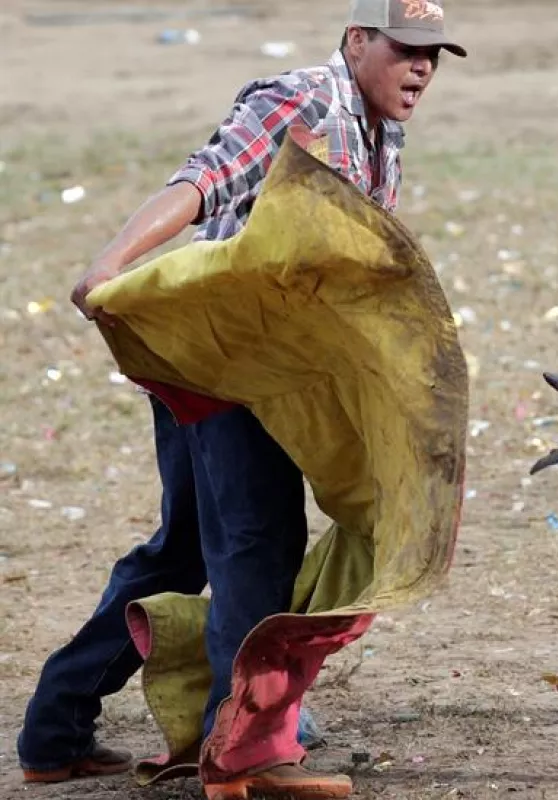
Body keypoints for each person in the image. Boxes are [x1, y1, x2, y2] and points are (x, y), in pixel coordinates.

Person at [16, 2, 465, 797]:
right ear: (357, 41)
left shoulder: (382, 131)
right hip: (223, 363)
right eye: (406, 50)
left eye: (435, 54)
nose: (423, 68)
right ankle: (246, 755)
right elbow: (202, 179)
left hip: (251, 367)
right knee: (258, 541)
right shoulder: (301, 102)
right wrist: (110, 265)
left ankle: (55, 730)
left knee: (185, 549)